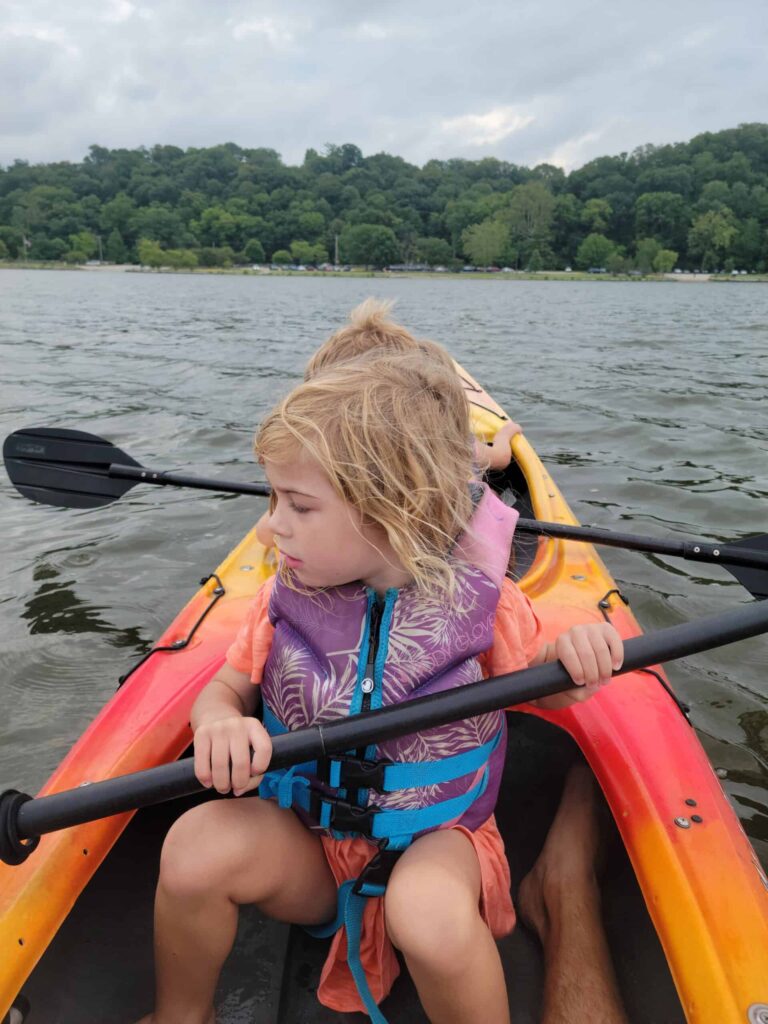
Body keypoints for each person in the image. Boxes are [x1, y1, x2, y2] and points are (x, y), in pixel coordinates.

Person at [136, 350, 624, 1024]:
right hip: (312, 839)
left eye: (297, 505)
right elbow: (224, 688)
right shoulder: (281, 600)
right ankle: (178, 1016)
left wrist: (577, 660)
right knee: (194, 849)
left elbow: (547, 691)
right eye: (274, 498)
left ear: (390, 512)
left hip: (436, 840)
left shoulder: (486, 604)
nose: (269, 525)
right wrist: (218, 720)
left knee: (426, 913)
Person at [255, 299, 520, 550]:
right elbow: (499, 458)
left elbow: (266, 536)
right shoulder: (453, 444)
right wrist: (506, 432)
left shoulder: (332, 465)